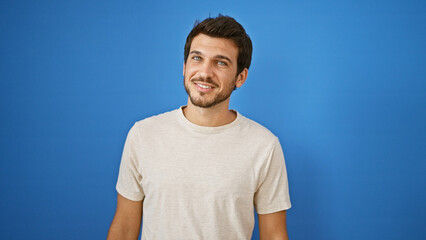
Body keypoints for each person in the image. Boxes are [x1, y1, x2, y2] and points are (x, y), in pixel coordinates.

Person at [107, 15, 291, 240]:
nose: (205, 72)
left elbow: (274, 234)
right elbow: (125, 227)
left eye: (221, 62)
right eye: (197, 58)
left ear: (240, 77)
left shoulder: (264, 146)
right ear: (184, 67)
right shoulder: (143, 134)